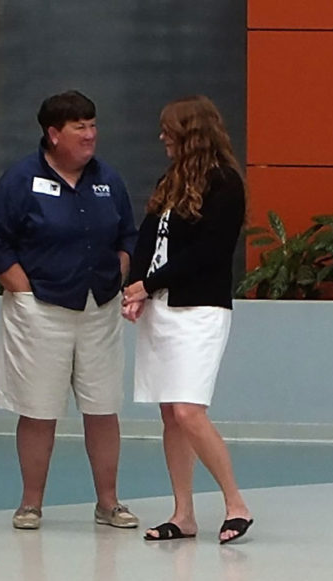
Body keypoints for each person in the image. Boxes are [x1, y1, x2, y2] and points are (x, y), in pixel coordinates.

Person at [0, 90, 139, 530]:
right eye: (79, 127)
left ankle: (109, 503)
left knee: (103, 407)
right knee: (37, 409)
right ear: (53, 134)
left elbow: (129, 234)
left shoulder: (108, 178)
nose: (90, 135)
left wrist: (118, 271)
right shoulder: (20, 180)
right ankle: (30, 504)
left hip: (100, 308)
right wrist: (24, 292)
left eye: (92, 125)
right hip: (40, 308)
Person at [122, 95, 253, 545]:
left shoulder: (225, 184)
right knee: (170, 415)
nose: (161, 138)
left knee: (189, 410)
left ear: (190, 133)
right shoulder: (170, 181)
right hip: (161, 307)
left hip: (199, 309)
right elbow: (147, 238)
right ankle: (184, 513)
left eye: (168, 130)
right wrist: (137, 285)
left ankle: (236, 503)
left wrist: (150, 282)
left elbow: (210, 252)